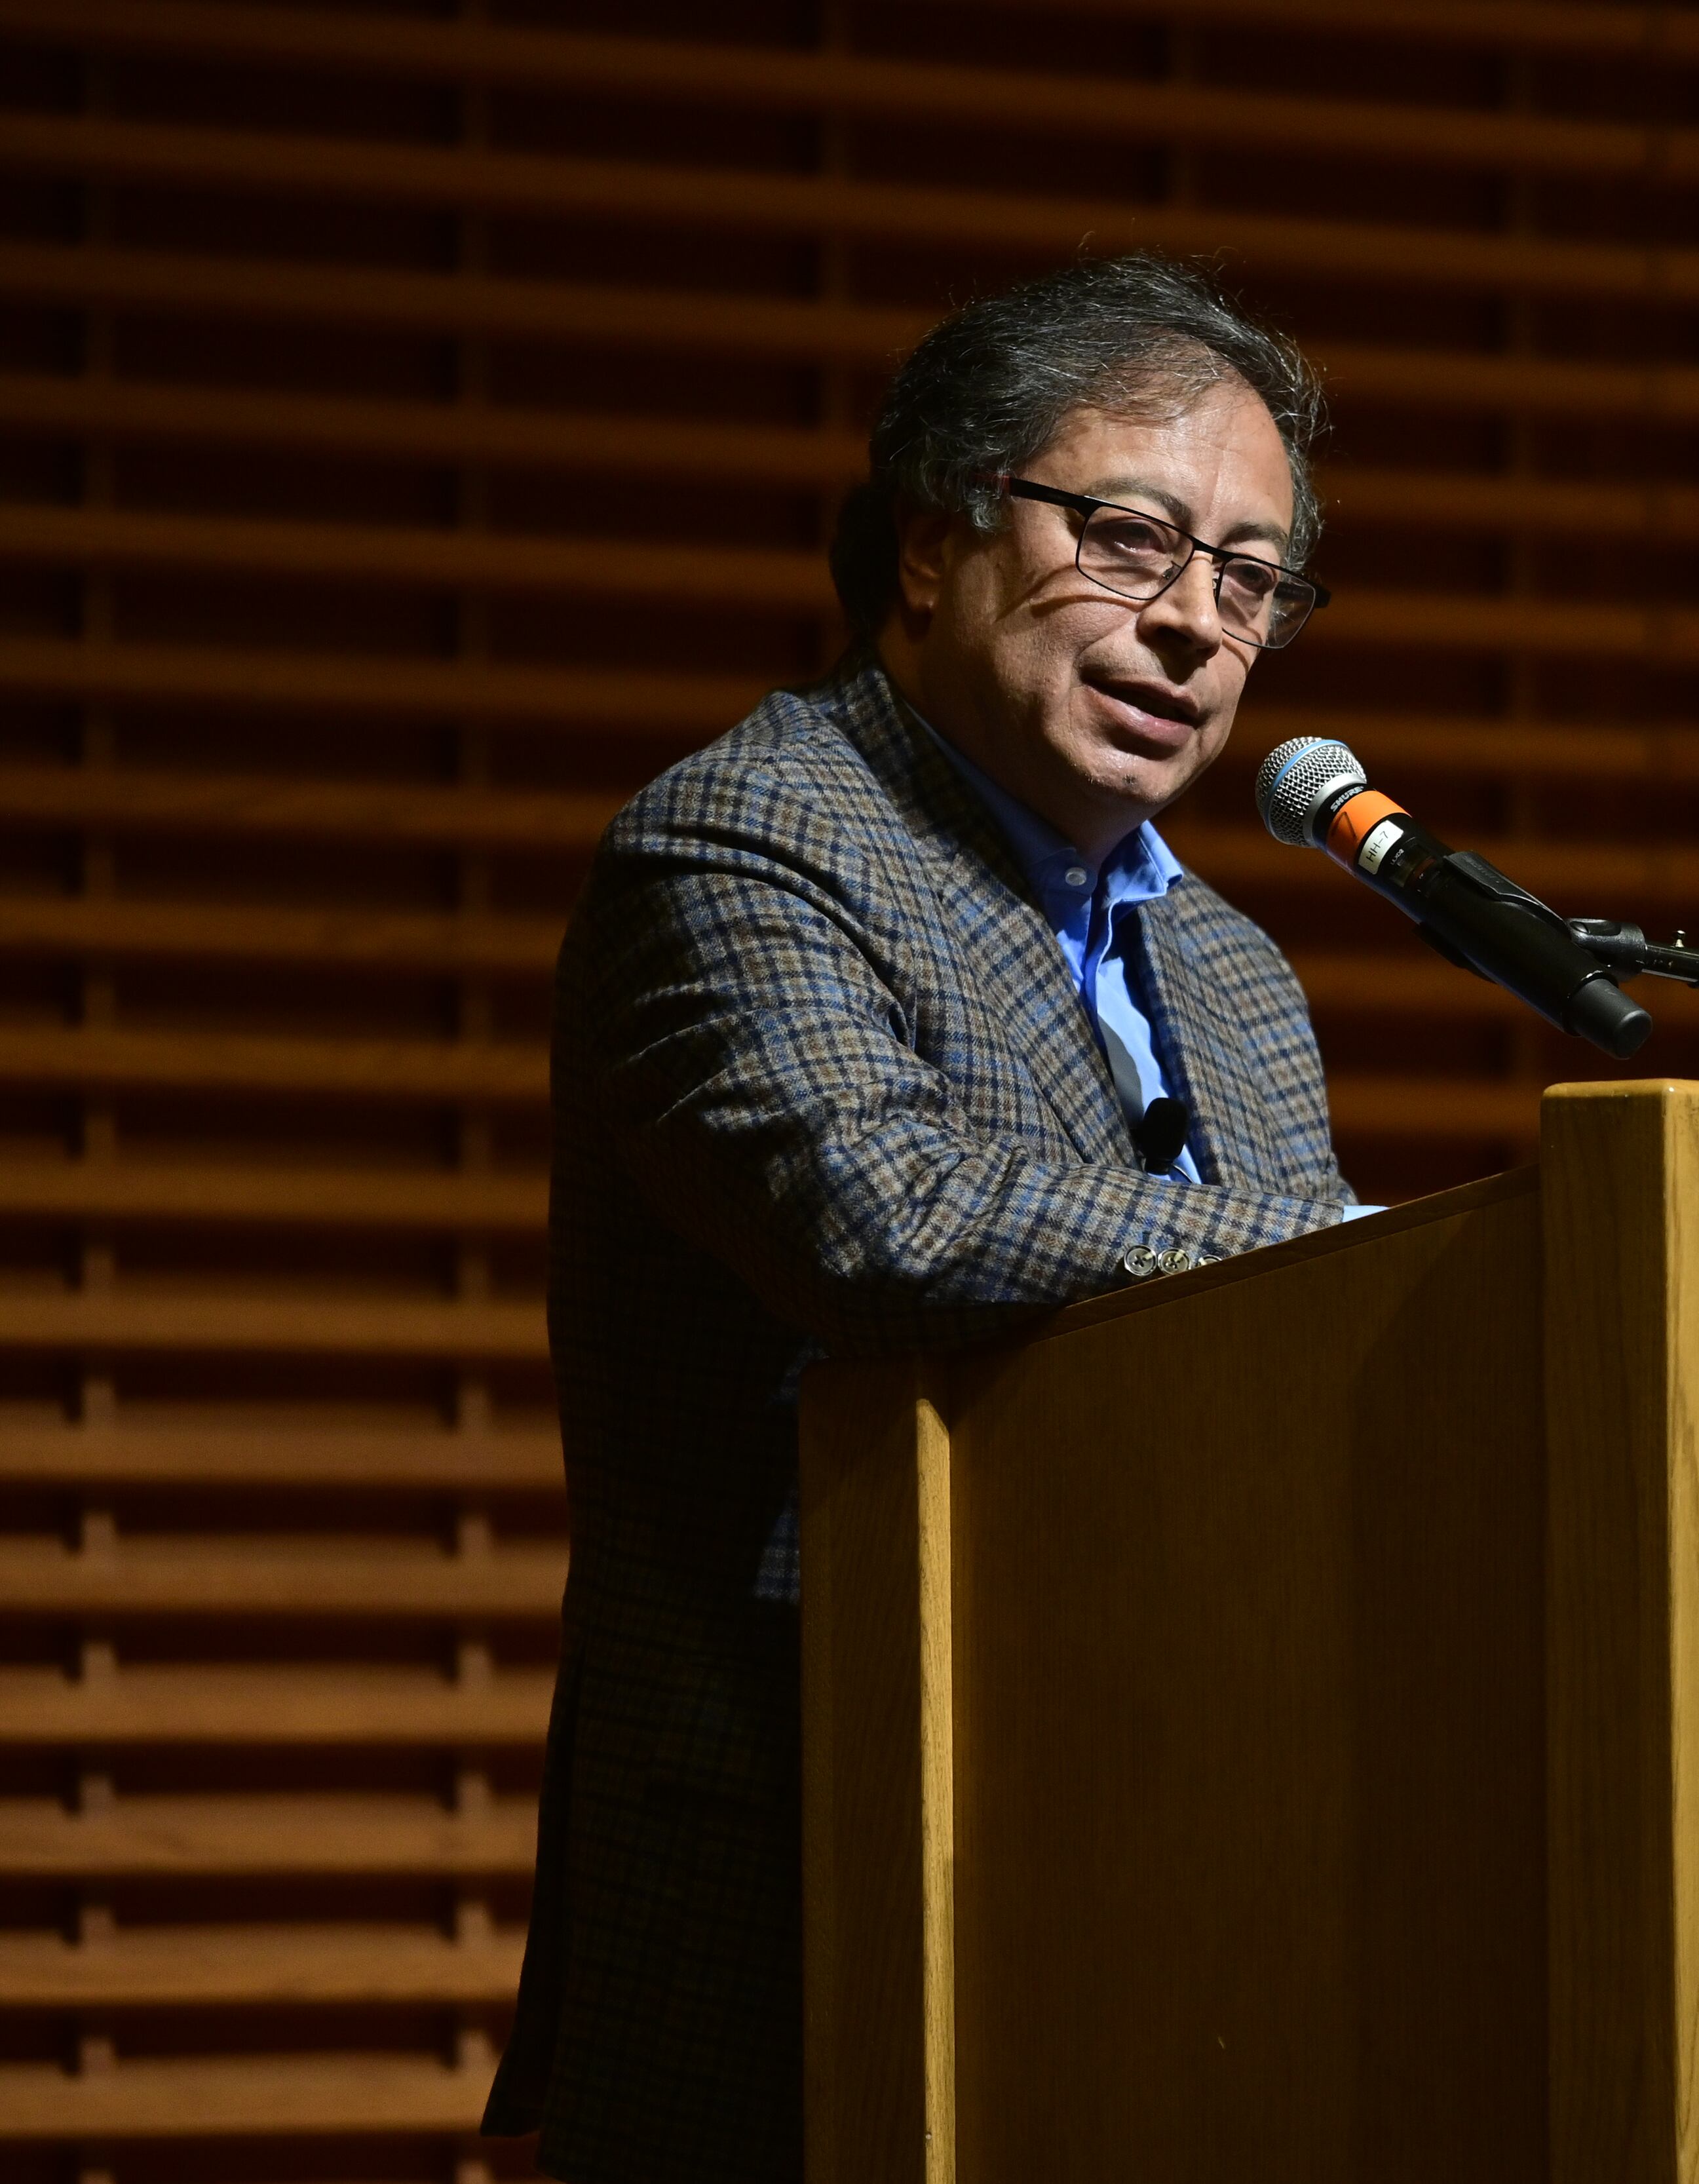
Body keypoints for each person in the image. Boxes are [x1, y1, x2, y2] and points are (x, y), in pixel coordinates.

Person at [482, 254, 1363, 2183]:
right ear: (930, 543)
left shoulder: (1235, 971)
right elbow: (889, 1220)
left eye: (1251, 577)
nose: (1197, 622)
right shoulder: (745, 842)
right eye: (1130, 540)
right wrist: (1370, 1263)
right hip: (814, 1852)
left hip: (1190, 1867)